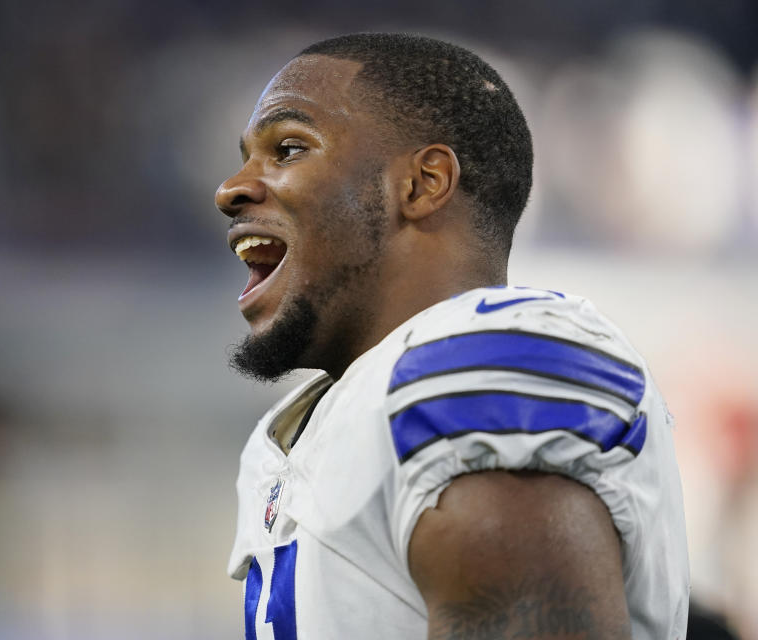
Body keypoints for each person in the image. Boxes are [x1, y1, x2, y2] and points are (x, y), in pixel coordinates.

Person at [216, 33, 689, 639]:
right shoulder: (326, 420)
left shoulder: (480, 369)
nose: (230, 189)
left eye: (287, 148)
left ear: (422, 183)